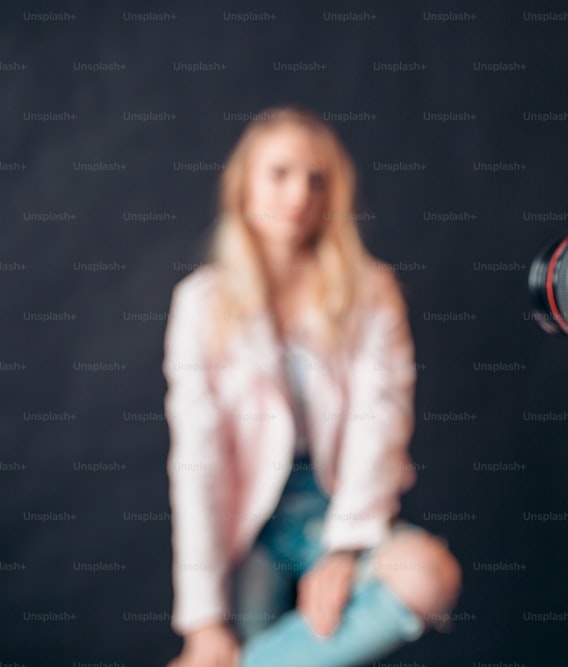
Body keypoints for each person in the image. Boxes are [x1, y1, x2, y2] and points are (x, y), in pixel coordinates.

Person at [163, 107, 461, 667]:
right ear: (244, 187)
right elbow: (196, 463)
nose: (298, 193)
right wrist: (203, 622)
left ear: (333, 195)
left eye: (316, 178)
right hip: (247, 524)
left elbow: (383, 420)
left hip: (340, 507)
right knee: (237, 639)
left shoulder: (371, 291)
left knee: (427, 576)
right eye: (279, 173)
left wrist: (345, 546)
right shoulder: (199, 303)